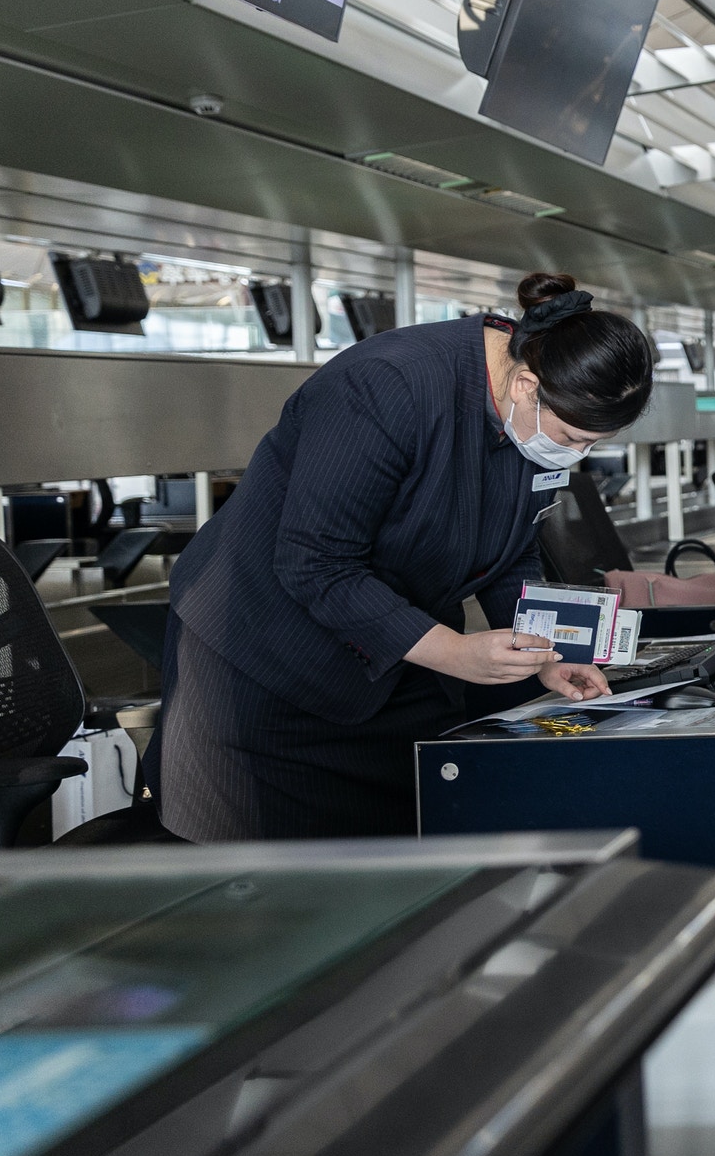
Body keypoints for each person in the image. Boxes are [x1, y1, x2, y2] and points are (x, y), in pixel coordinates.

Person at [162, 273, 653, 840]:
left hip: (392, 649)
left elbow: (511, 551)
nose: (574, 455)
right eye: (570, 438)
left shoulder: (529, 416)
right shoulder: (388, 385)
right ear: (524, 384)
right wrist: (454, 652)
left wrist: (544, 651)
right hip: (264, 657)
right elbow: (315, 562)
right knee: (282, 876)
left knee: (430, 828)